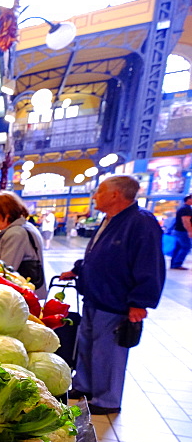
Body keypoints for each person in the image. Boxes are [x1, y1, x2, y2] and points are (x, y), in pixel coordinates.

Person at [59, 175, 165, 415]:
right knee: (87, 345)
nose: (95, 196)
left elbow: (149, 264)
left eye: (99, 191)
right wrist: (77, 270)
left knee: (108, 351)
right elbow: (99, 255)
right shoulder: (110, 219)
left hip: (117, 302)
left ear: (116, 194)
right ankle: (84, 386)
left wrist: (140, 302)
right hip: (95, 296)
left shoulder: (141, 222)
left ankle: (107, 398)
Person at [0, 191, 47, 298]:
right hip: (30, 290)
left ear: (6, 215)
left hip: (23, 294)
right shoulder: (26, 226)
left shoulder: (16, 233)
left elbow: (5, 269)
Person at [172, 194, 192, 270]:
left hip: (178, 230)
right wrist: (190, 231)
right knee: (186, 247)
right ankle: (177, 264)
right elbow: (186, 221)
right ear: (188, 199)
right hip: (182, 231)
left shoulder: (183, 208)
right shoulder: (186, 209)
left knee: (178, 247)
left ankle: (174, 263)